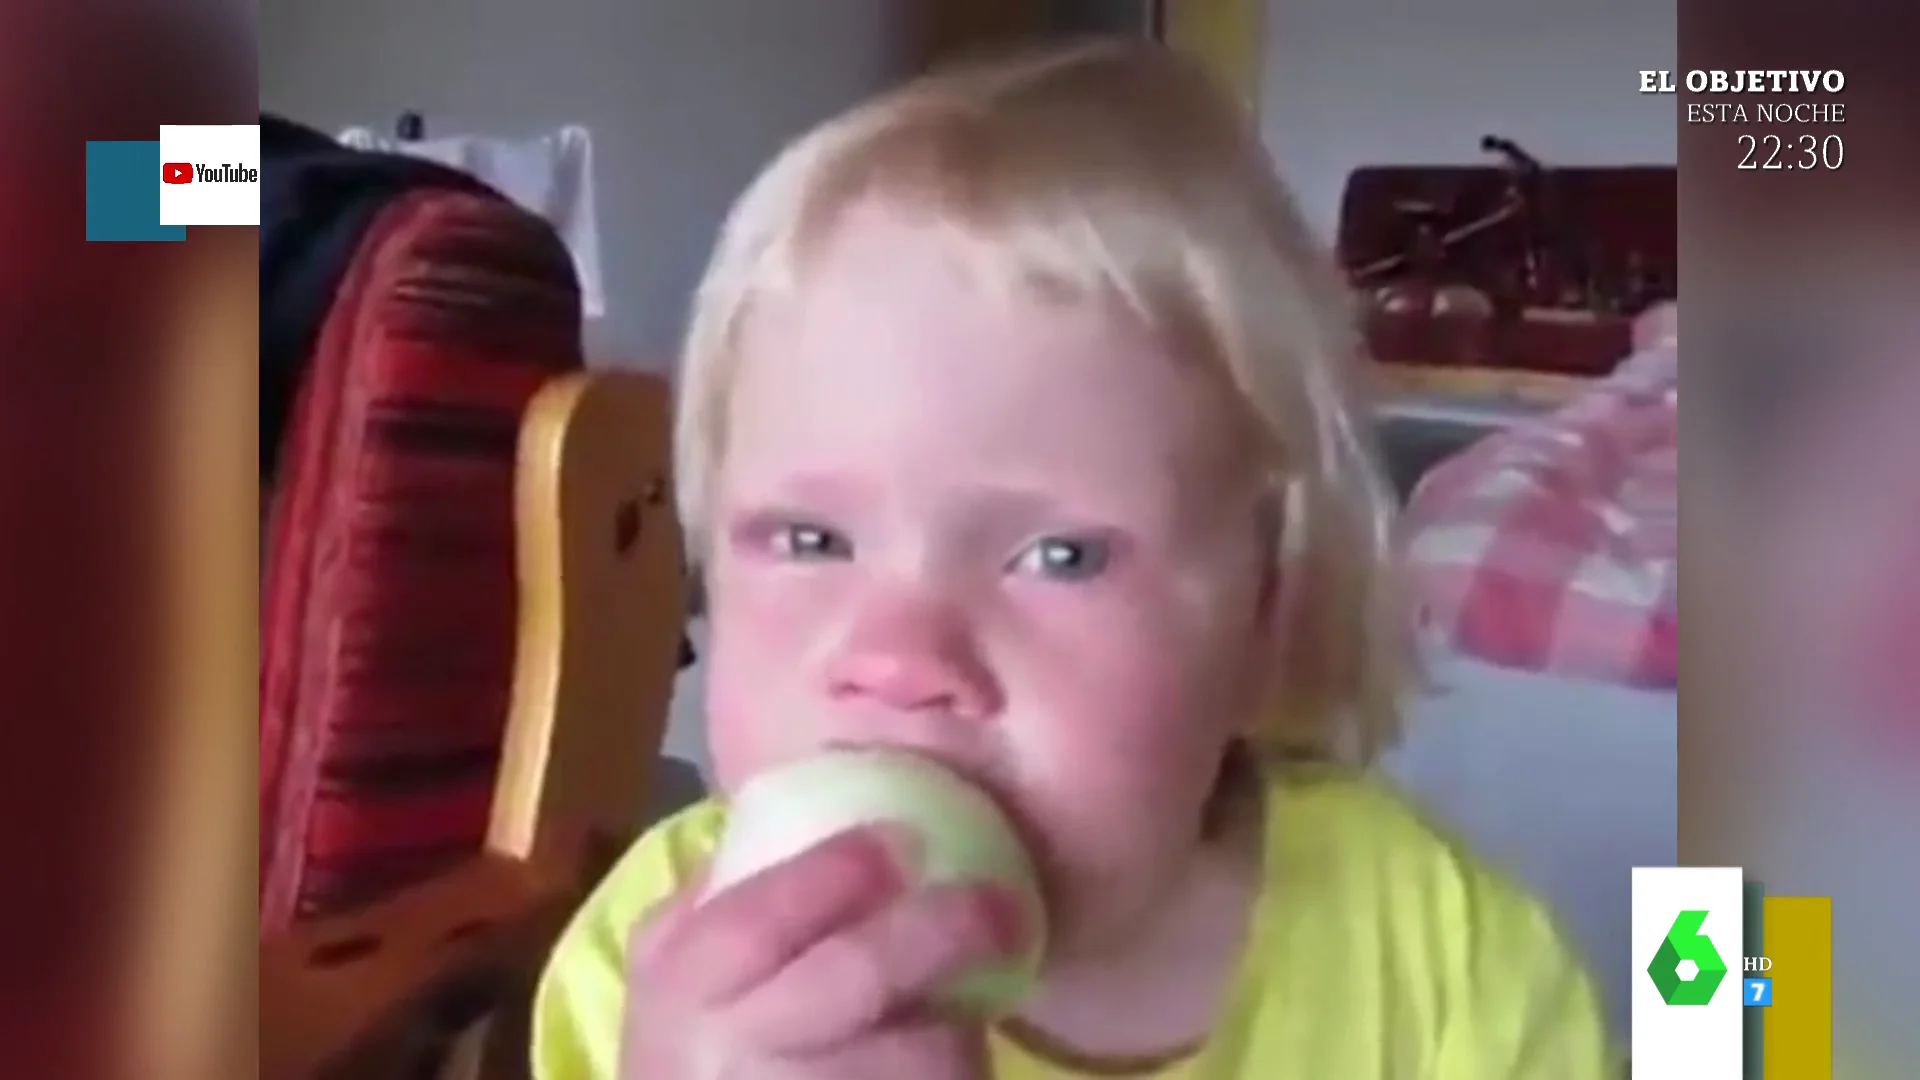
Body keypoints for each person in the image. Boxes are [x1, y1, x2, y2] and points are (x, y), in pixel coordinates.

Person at [531, 40, 1613, 1080]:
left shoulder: (1446, 967)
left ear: (1267, 616)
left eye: (1059, 556)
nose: (901, 659)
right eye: (811, 541)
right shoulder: (652, 970)